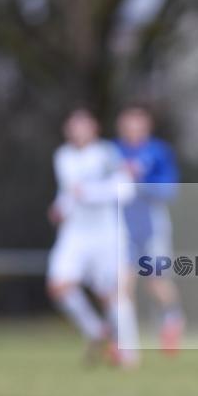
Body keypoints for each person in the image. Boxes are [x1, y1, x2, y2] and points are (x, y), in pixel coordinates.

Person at [47, 108, 138, 368]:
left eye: (83, 126)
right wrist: (60, 207)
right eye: (73, 126)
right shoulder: (62, 156)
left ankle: (128, 353)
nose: (78, 131)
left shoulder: (106, 154)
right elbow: (68, 192)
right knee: (58, 286)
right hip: (75, 233)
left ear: (94, 128)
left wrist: (88, 192)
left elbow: (126, 189)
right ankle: (97, 331)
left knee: (112, 294)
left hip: (107, 234)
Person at [115, 104, 185, 354]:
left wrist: (138, 182)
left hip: (153, 226)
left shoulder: (158, 151)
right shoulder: (112, 152)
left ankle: (173, 321)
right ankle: (124, 342)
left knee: (156, 282)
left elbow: (169, 189)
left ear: (147, 126)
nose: (133, 129)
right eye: (128, 124)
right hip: (121, 227)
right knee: (122, 283)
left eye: (138, 124)